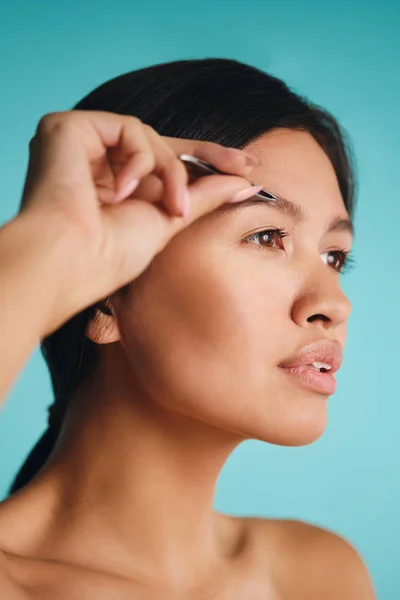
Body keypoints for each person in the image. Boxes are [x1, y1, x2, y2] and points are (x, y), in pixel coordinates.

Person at [0, 58, 376, 599]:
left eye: (335, 256)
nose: (332, 304)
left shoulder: (317, 576)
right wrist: (53, 247)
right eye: (268, 236)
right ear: (105, 297)